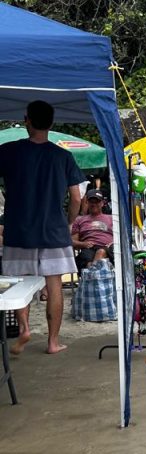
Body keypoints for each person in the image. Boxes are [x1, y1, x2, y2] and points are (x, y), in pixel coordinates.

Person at [0, 100, 84, 354]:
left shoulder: (8, 151)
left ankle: (24, 329)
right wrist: (69, 222)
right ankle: (52, 342)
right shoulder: (63, 156)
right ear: (51, 123)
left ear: (27, 120)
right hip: (53, 231)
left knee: (20, 283)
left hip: (18, 230)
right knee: (54, 284)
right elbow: (77, 197)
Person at [71, 189, 114, 272]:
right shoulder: (79, 220)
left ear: (102, 203)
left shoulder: (111, 218)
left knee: (100, 252)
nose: (94, 204)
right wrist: (83, 244)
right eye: (91, 202)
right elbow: (73, 242)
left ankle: (93, 274)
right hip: (88, 249)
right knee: (87, 261)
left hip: (108, 248)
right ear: (87, 202)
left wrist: (111, 244)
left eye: (97, 202)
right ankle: (95, 273)